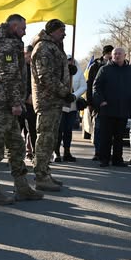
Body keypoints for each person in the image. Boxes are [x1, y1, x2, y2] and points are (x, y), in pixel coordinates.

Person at [0, 14, 44, 205]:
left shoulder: (9, 43)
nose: (25, 32)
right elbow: (8, 76)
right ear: (14, 26)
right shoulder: (5, 44)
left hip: (6, 103)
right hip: (1, 104)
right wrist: (16, 103)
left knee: (16, 146)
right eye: (23, 28)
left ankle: (22, 187)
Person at [30, 19, 75, 191]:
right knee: (45, 139)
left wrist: (67, 71)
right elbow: (45, 76)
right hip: (47, 100)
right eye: (62, 30)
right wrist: (65, 92)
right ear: (53, 31)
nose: (64, 34)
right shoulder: (44, 48)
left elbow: (54, 71)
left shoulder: (54, 47)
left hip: (54, 101)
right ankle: (40, 176)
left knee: (51, 139)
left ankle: (45, 172)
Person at [92, 47, 131, 167]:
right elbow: (96, 87)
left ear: (125, 55)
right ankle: (104, 159)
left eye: (119, 54)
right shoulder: (104, 69)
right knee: (106, 136)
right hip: (107, 108)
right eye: (115, 54)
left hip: (123, 108)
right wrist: (101, 101)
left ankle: (117, 159)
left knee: (119, 136)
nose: (117, 56)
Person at [54, 55, 87, 162]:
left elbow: (83, 86)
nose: (70, 63)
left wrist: (74, 95)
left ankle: (67, 152)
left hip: (72, 106)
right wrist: (63, 94)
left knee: (68, 130)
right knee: (59, 130)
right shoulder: (59, 71)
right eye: (68, 61)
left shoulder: (78, 72)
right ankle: (56, 152)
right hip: (60, 105)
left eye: (71, 61)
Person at [86, 45, 114, 161]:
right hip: (97, 103)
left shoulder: (115, 66)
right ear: (104, 54)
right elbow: (90, 85)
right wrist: (90, 102)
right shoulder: (95, 67)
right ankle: (98, 151)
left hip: (111, 103)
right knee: (98, 128)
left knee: (109, 130)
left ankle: (107, 152)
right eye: (108, 54)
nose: (110, 56)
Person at [19, 45, 37, 162]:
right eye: (29, 56)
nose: (30, 58)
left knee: (33, 130)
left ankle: (35, 154)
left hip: (33, 104)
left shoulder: (35, 68)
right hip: (20, 104)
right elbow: (16, 86)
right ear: (24, 54)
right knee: (17, 130)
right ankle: (16, 156)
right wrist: (26, 97)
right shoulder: (19, 68)